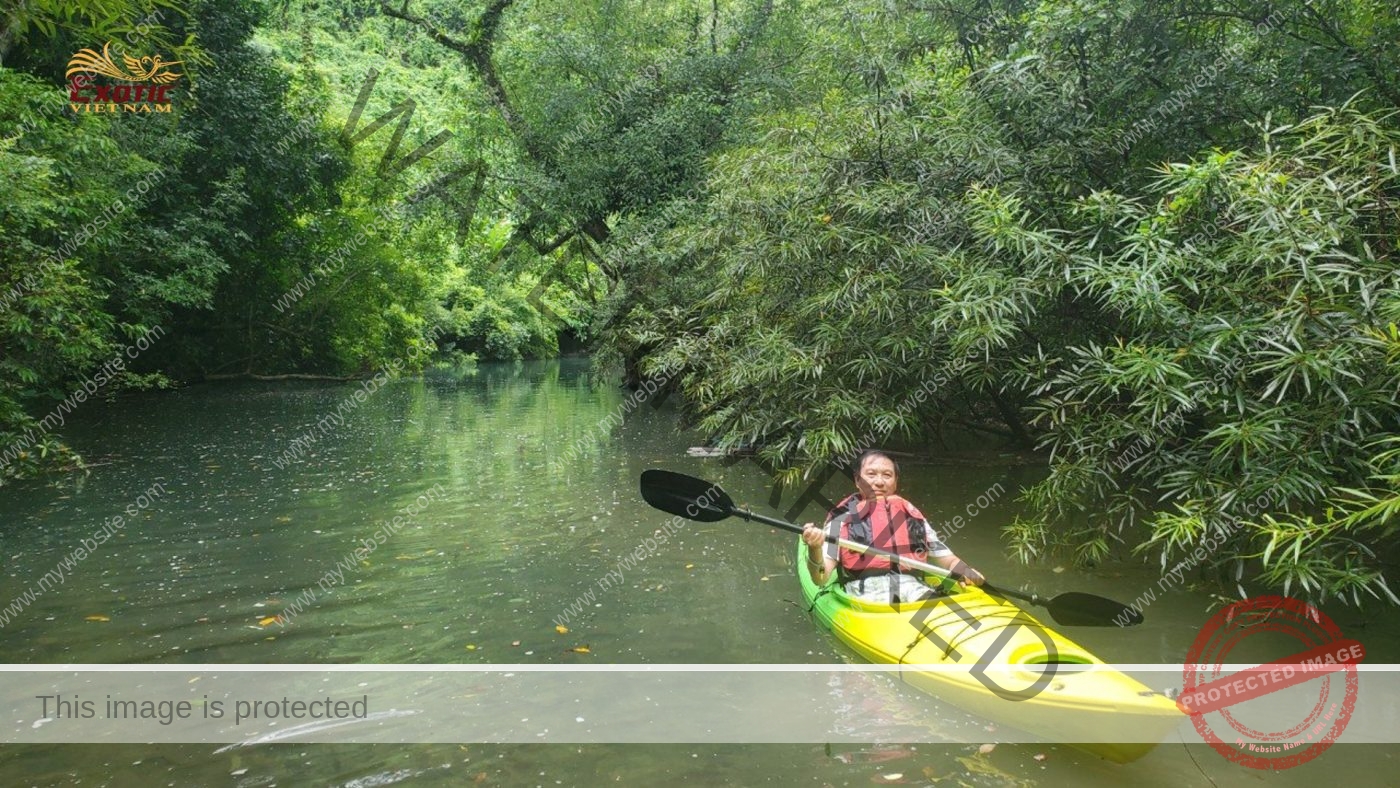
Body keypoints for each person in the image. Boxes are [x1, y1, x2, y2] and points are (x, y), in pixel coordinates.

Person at [801, 449, 985, 603]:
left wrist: (965, 571)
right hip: (865, 596)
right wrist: (814, 549)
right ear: (858, 480)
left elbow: (949, 560)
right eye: (871, 474)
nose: (879, 482)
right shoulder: (840, 520)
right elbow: (820, 578)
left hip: (914, 591)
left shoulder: (911, 515)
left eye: (887, 475)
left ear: (895, 482)